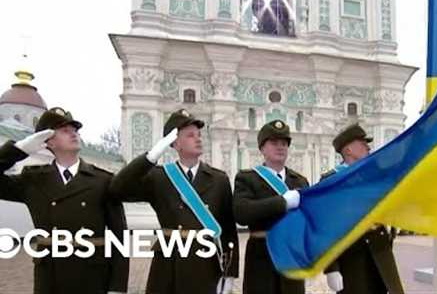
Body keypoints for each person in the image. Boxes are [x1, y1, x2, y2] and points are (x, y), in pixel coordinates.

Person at [0, 107, 129, 294]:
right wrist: (19, 149)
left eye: (74, 130)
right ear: (47, 141)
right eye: (64, 130)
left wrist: (117, 287)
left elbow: (119, 236)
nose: (73, 134)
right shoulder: (33, 180)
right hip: (50, 275)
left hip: (92, 275)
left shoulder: (102, 180)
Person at [109, 109, 239, 294]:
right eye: (190, 135)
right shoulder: (159, 177)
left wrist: (229, 274)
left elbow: (228, 229)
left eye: (199, 135)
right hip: (168, 264)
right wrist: (151, 157)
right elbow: (117, 189)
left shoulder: (219, 179)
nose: (198, 139)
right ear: (175, 143)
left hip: (206, 263)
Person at [323, 123, 404, 294]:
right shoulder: (331, 180)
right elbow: (325, 227)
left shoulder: (375, 176)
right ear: (348, 150)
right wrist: (331, 267)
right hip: (351, 257)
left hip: (380, 251)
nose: (368, 147)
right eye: (362, 143)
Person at [233, 119, 308, 294]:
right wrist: (282, 203)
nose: (280, 147)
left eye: (284, 143)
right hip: (261, 256)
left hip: (291, 256)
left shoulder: (299, 181)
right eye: (274, 143)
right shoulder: (248, 178)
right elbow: (242, 213)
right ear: (262, 148)